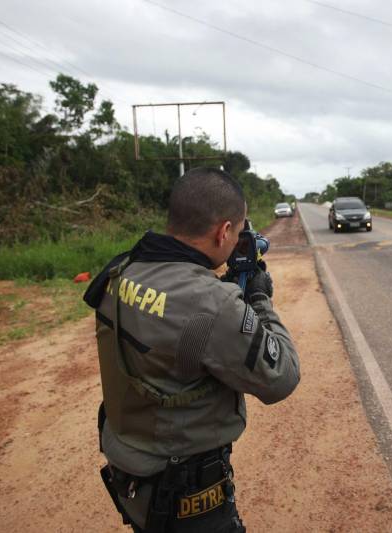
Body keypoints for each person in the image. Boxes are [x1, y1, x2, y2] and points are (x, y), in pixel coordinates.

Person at [83, 167, 301, 532]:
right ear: (224, 231)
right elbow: (282, 378)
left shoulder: (124, 268)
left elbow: (175, 334)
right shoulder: (211, 303)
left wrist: (223, 291)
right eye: (239, 229)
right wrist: (258, 299)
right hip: (183, 487)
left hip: (129, 465)